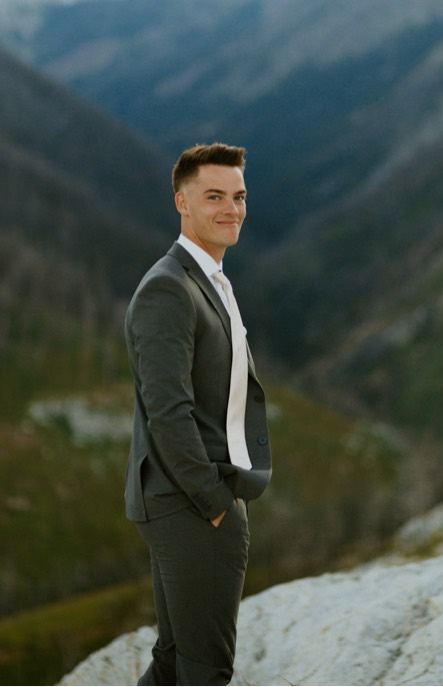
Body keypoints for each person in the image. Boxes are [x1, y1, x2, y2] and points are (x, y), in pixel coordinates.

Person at [124, 142, 272, 685]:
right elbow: (168, 413)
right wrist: (215, 502)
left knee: (174, 660)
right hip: (189, 501)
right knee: (206, 670)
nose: (231, 208)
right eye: (215, 196)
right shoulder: (169, 286)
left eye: (239, 196)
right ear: (182, 202)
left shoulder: (206, 278)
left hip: (191, 496)